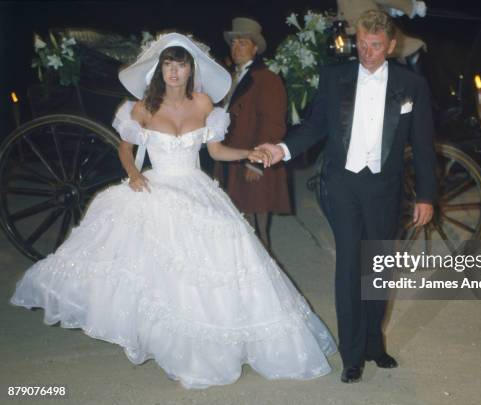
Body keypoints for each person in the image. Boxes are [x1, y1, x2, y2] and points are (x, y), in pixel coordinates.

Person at [10, 32, 335, 389]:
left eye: (180, 64)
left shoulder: (205, 105)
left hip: (195, 185)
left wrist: (248, 153)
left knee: (226, 252)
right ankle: (173, 345)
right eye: (168, 64)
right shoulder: (142, 108)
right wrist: (133, 174)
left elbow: (215, 152)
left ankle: (215, 342)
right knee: (163, 271)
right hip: (157, 185)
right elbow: (124, 148)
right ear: (159, 68)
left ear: (190, 69)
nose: (174, 72)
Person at [258, 10, 437, 383]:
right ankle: (352, 354)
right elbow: (314, 126)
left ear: (390, 47)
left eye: (375, 46)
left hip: (384, 190)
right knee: (349, 268)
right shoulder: (334, 77)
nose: (367, 52)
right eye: (361, 44)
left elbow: (422, 146)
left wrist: (426, 195)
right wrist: (282, 149)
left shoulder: (411, 86)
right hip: (343, 186)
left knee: (379, 270)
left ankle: (374, 342)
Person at [215, 17, 291, 249]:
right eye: (234, 42)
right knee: (239, 227)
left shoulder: (267, 79)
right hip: (233, 160)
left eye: (243, 43)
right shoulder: (230, 78)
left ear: (255, 48)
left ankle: (266, 282)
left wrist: (256, 163)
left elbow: (273, 124)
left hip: (254, 162)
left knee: (257, 232)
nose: (237, 47)